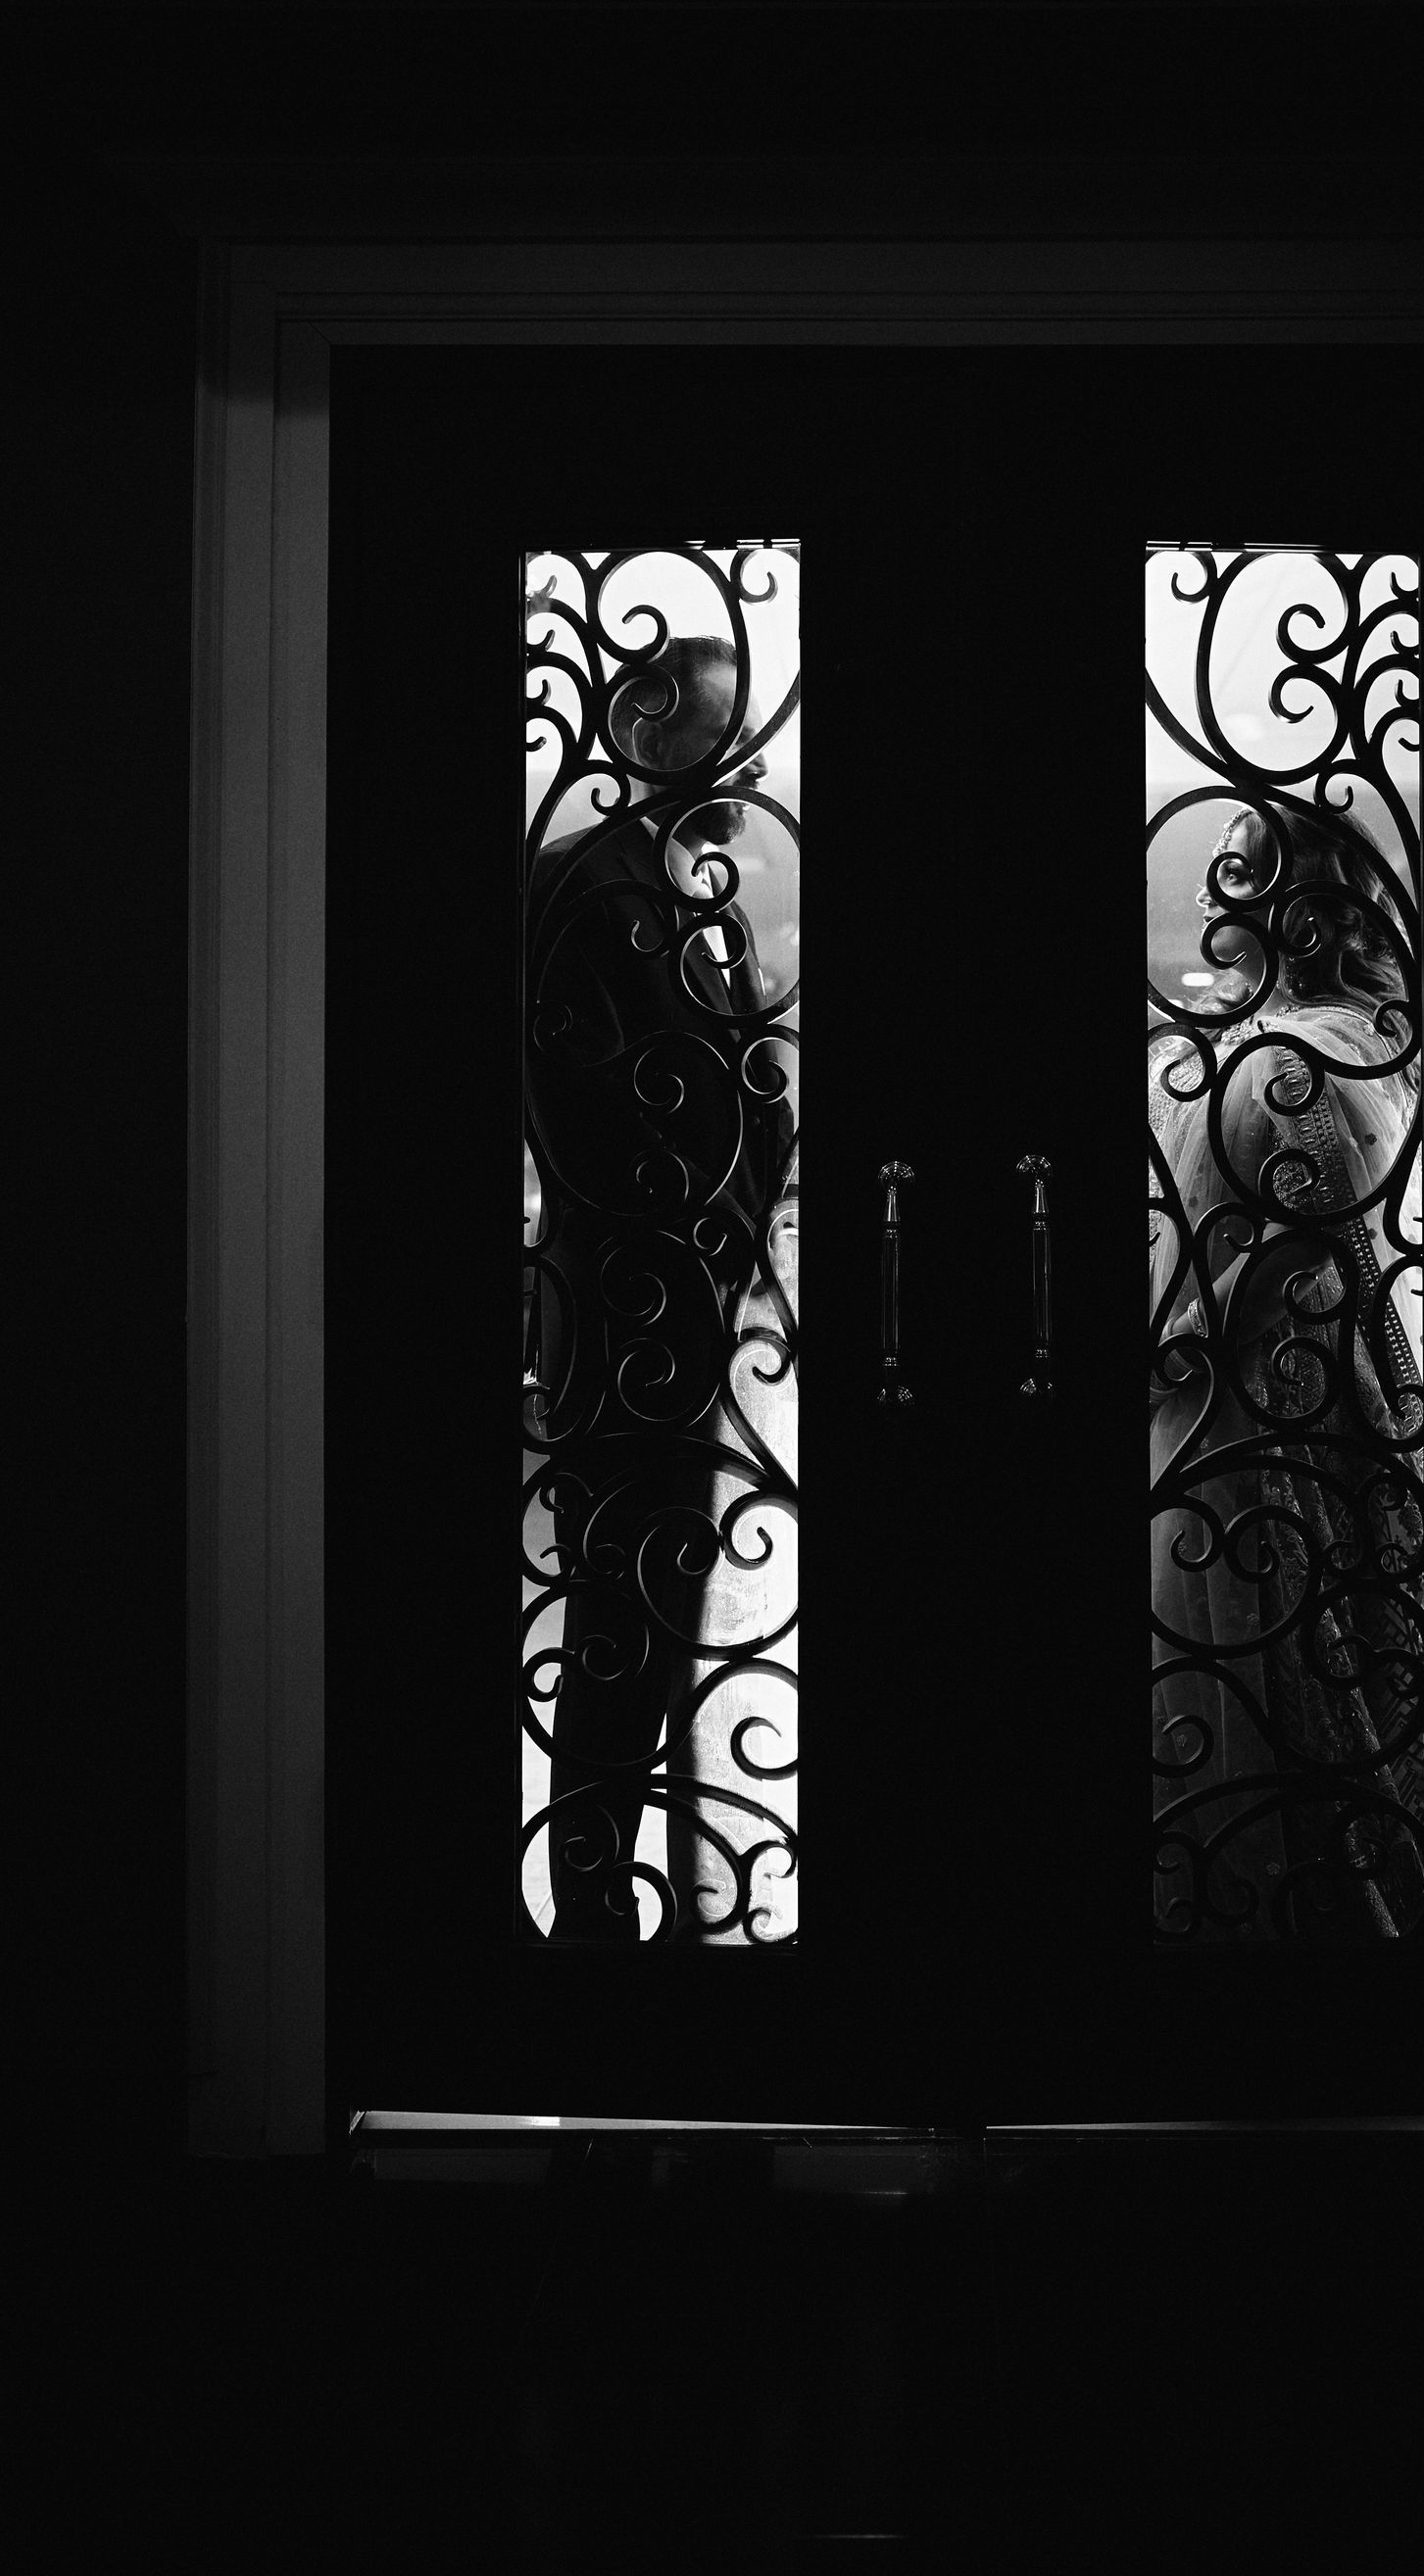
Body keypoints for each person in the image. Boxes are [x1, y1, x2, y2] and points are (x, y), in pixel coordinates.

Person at [523, 628, 797, 1942]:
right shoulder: (582, 888)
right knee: (618, 1623)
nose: (741, 757)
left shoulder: (709, 897)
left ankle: (689, 1892)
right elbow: (588, 1122)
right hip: (630, 1319)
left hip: (705, 1319)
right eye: (718, 728)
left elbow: (748, 1093)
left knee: (683, 1602)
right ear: (641, 731)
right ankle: (590, 1920)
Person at [1150, 800, 1424, 1942]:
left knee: (1255, 1711)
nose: (1218, 894)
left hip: (1246, 1438)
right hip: (1333, 1408)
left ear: (1291, 906)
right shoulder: (1369, 1049)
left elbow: (1214, 1287)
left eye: (1242, 872)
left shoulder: (1269, 1073)